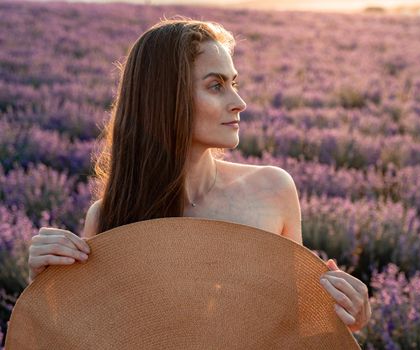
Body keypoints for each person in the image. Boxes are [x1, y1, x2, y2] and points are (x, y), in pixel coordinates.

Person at [26, 18, 371, 333]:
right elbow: (98, 337)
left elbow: (292, 328)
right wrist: (47, 288)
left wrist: (348, 317)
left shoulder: (272, 189)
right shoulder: (108, 216)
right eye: (216, 86)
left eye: (234, 83)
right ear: (167, 98)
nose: (239, 102)